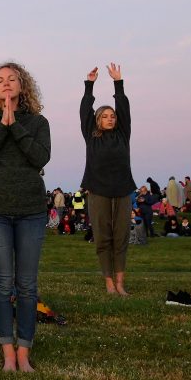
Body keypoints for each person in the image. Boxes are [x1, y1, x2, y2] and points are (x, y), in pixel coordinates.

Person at [0, 62, 50, 372]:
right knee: (3, 285)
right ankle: (7, 353)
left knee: (27, 286)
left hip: (30, 210)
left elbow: (40, 157)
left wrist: (15, 124)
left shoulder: (38, 121)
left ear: (22, 85)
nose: (6, 84)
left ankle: (24, 353)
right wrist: (1, 125)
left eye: (12, 79)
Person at [80, 64, 136, 295]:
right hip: (98, 190)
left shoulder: (123, 134)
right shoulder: (91, 137)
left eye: (112, 116)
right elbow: (84, 110)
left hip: (123, 190)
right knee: (103, 238)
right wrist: (89, 84)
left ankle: (121, 283)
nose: (111, 119)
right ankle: (109, 282)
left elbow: (124, 108)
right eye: (105, 116)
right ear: (97, 120)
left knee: (121, 237)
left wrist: (118, 82)